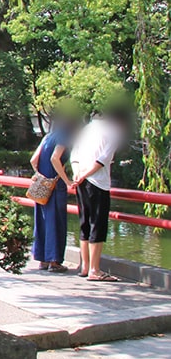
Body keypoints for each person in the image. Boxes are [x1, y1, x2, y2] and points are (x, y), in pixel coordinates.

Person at [70, 108, 129, 282]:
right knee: (98, 222)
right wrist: (86, 174)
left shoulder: (87, 128)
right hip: (97, 182)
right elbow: (103, 158)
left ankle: (85, 266)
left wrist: (78, 174)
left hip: (80, 180)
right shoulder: (114, 131)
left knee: (84, 222)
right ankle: (95, 270)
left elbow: (74, 154)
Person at [30, 115, 76, 272]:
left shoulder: (47, 137)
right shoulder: (64, 137)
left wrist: (39, 175)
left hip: (42, 185)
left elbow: (33, 159)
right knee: (56, 220)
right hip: (56, 186)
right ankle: (54, 261)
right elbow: (55, 158)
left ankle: (42, 259)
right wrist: (67, 180)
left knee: (42, 220)